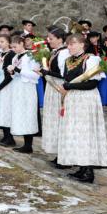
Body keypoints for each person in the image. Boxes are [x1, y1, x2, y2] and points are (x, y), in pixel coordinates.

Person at [57, 33, 107, 183]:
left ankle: (88, 171)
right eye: (68, 44)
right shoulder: (67, 60)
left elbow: (92, 83)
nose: (69, 47)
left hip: (86, 99)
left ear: (82, 44)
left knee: (85, 133)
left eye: (72, 44)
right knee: (75, 132)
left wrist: (69, 86)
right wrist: (67, 87)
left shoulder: (91, 59)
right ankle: (81, 166)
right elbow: (66, 79)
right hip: (73, 99)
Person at [5, 35, 41, 153]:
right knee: (20, 114)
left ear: (21, 43)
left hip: (27, 88)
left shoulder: (31, 55)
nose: (13, 49)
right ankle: (25, 144)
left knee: (28, 114)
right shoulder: (15, 56)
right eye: (12, 47)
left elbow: (35, 75)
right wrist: (11, 72)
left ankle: (28, 145)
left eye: (15, 46)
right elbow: (15, 75)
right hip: (17, 88)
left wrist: (18, 70)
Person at [41, 27, 70, 167]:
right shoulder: (57, 51)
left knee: (59, 120)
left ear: (60, 39)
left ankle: (64, 155)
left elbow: (64, 75)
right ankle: (59, 153)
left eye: (51, 38)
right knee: (54, 119)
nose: (49, 41)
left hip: (58, 87)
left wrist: (46, 72)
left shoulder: (64, 53)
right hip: (52, 87)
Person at [0, 35, 15, 146]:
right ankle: (5, 135)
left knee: (6, 109)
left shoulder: (12, 55)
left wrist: (0, 87)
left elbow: (10, 76)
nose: (0, 43)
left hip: (6, 85)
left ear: (8, 42)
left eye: (2, 41)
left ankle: (10, 137)